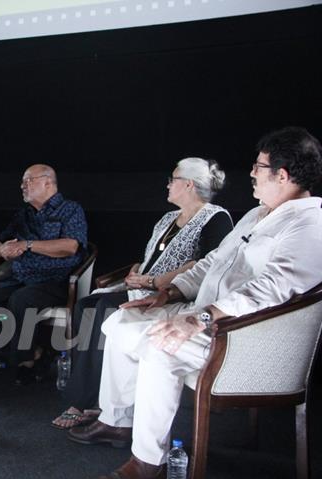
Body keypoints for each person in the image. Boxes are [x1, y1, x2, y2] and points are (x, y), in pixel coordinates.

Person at [70, 127, 322, 479]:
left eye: (258, 166)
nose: (251, 172)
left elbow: (274, 287)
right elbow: (212, 262)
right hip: (209, 316)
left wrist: (201, 317)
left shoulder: (310, 223)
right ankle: (118, 423)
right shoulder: (257, 214)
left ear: (282, 175)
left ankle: (148, 462)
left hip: (244, 336)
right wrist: (170, 293)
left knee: (159, 348)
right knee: (119, 323)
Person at [52, 158, 233, 429]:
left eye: (173, 179)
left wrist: (155, 281)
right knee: (87, 305)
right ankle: (98, 396)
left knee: (103, 309)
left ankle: (85, 402)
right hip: (145, 286)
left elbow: (205, 264)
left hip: (179, 296)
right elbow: (149, 257)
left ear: (189, 184)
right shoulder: (168, 218)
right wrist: (137, 272)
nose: (168, 185)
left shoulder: (216, 217)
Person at [0, 164, 87, 385]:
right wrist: (2, 250)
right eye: (22, 182)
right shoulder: (22, 215)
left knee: (22, 300)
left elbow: (70, 246)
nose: (23, 186)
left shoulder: (71, 210)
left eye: (29, 180)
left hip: (54, 280)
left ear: (48, 182)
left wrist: (28, 245)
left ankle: (23, 362)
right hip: (20, 277)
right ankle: (34, 352)